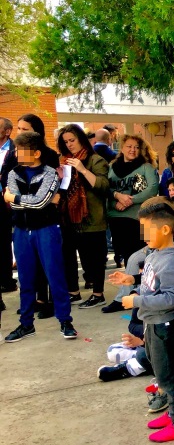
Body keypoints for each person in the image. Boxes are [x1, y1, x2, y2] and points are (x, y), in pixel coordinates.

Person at [111, 196, 174, 442]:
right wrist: (132, 281)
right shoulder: (154, 254)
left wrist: (135, 301)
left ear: (165, 229)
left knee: (171, 376)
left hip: (166, 326)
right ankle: (172, 415)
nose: (143, 235)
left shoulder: (171, 259)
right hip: (153, 324)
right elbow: (154, 283)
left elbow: (170, 298)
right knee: (161, 372)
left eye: (147, 230)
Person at [3, 131, 78, 342]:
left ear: (35, 153)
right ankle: (26, 324)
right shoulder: (12, 173)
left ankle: (65, 321)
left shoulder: (49, 174)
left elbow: (39, 202)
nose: (17, 154)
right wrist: (27, 200)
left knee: (55, 276)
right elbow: (35, 201)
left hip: (47, 229)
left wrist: (14, 197)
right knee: (26, 279)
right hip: (20, 231)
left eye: (21, 151)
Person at [56, 124, 111, 309]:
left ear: (81, 139)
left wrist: (82, 169)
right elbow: (64, 190)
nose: (69, 145)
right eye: (66, 142)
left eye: (72, 140)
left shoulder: (95, 160)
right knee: (68, 255)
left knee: (93, 258)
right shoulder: (65, 159)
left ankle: (98, 294)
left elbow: (103, 186)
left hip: (91, 216)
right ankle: (74, 292)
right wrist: (62, 177)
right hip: (69, 216)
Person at [107, 134, 159, 266]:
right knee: (124, 255)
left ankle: (138, 282)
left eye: (136, 147)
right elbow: (106, 188)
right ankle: (130, 281)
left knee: (138, 255)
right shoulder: (112, 167)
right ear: (122, 149)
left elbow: (152, 189)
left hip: (136, 218)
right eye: (129, 146)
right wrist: (117, 197)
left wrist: (129, 200)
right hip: (116, 217)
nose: (132, 150)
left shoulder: (145, 167)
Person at [0, 117, 17, 294]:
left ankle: (7, 280)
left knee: (5, 241)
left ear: (7, 131)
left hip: (9, 199)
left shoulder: (16, 149)